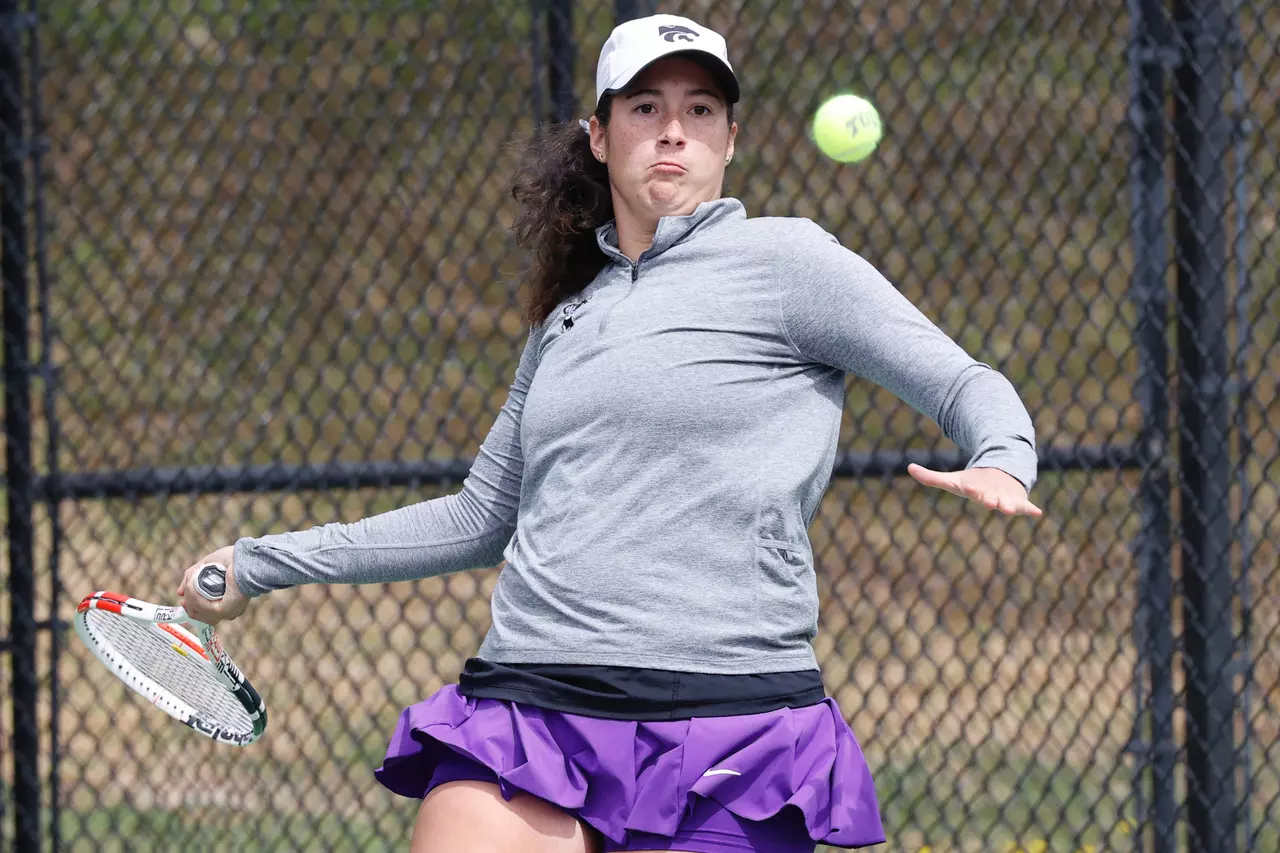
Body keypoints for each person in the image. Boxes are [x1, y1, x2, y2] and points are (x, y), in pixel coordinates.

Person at [178, 13, 1041, 853]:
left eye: (700, 111)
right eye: (645, 109)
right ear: (599, 136)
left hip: (728, 725)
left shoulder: (791, 264)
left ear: (730, 141)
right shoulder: (564, 316)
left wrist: (1003, 456)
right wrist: (259, 562)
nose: (673, 130)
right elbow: (479, 518)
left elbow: (965, 382)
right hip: (530, 710)